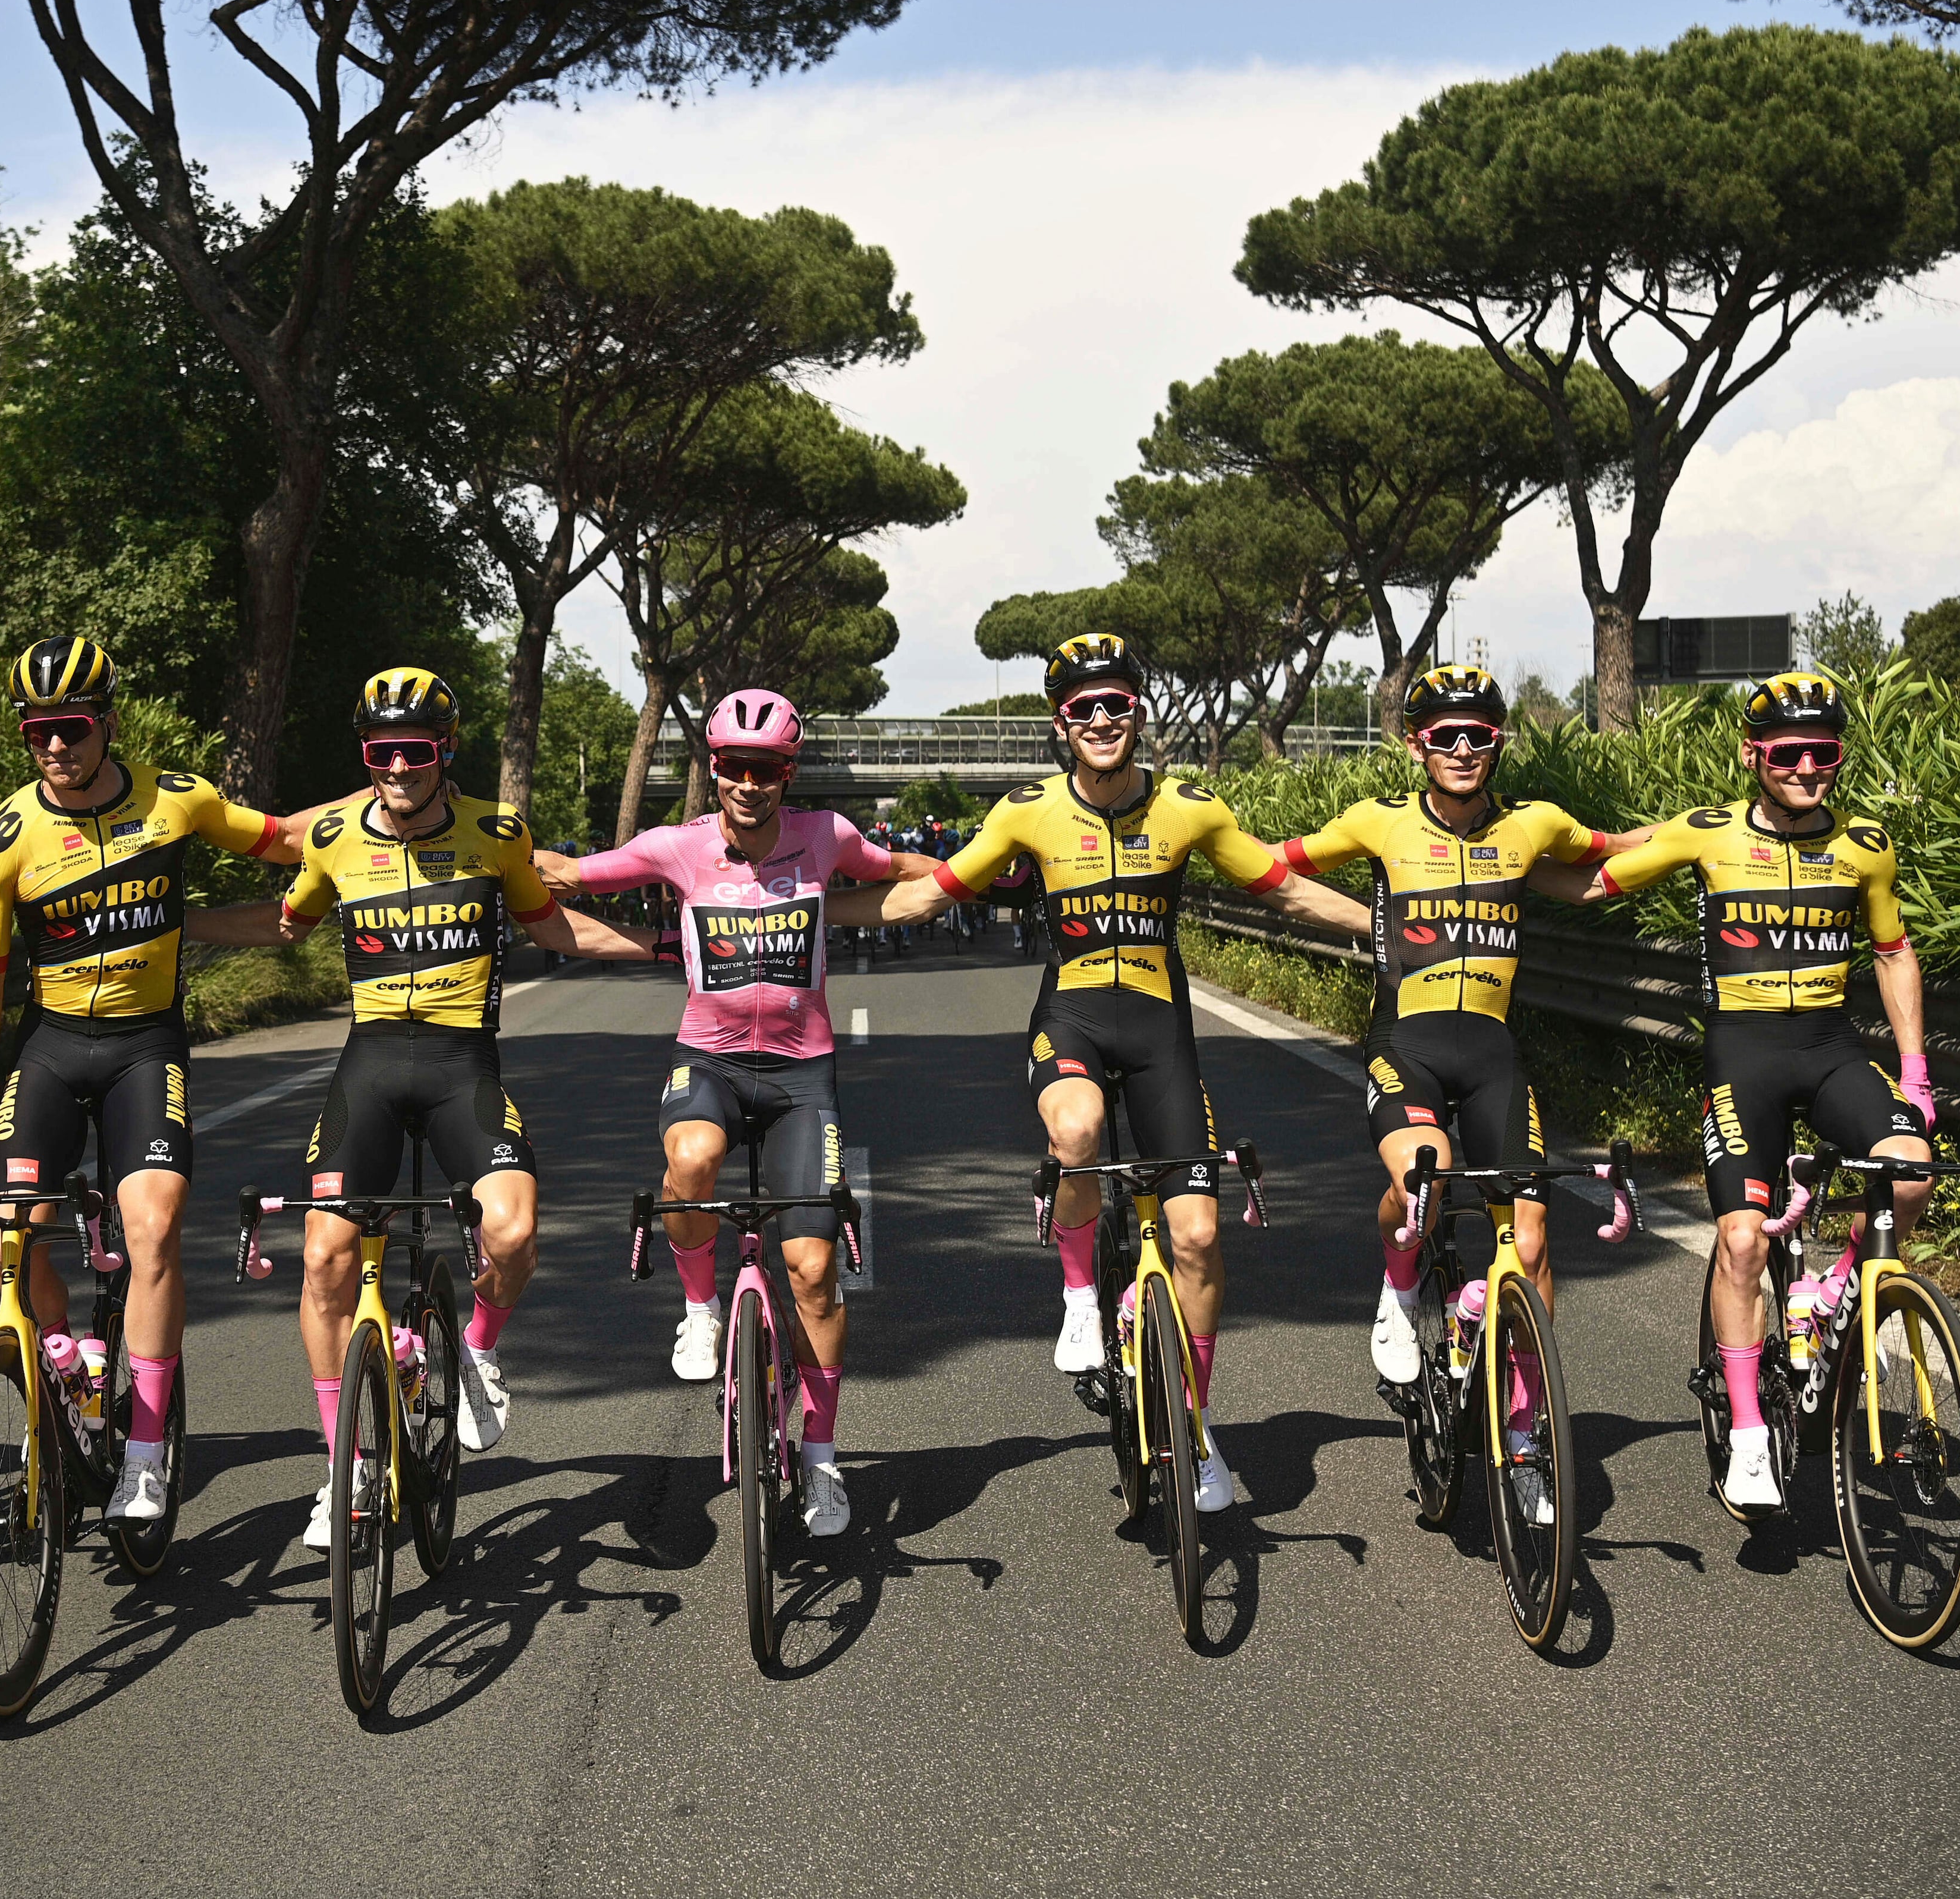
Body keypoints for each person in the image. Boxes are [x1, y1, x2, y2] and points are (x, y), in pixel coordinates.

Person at [867, 634, 1371, 1513]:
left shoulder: (1191, 808)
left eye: (1116, 704)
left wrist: (1380, 927)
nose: (1100, 720)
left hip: (1162, 1037)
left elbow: (1281, 887)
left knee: (1201, 1238)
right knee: (1077, 1132)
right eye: (1081, 708)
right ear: (1060, 725)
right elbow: (937, 889)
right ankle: (1076, 1298)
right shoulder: (1027, 811)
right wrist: (808, 911)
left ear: (1138, 712)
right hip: (1069, 1024)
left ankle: (1199, 1425)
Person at [235, 668, 629, 1551]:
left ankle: (479, 1348)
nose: (400, 767)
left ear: (445, 751)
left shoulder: (497, 834)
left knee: (516, 1233)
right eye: (383, 752)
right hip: (368, 1066)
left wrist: (659, 951)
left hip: (463, 1067)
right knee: (328, 1257)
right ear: (366, 756)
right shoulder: (333, 836)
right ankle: (345, 1467)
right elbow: (293, 919)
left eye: (417, 751)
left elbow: (552, 927)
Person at [536, 691, 941, 1540]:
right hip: (709, 1059)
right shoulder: (676, 847)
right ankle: (698, 1311)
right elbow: (572, 874)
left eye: (767, 770)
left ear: (788, 775)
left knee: (813, 1272)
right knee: (689, 1161)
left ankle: (824, 1463)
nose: (749, 783)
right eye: (734, 766)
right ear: (713, 768)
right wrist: (480, 846)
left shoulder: (824, 835)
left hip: (803, 1076)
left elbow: (889, 868)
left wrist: (974, 870)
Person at [0, 636, 305, 1526]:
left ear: (106, 723)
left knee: (153, 1225)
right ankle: (63, 1369)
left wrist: (397, 799)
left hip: (147, 1046)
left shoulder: (178, 801)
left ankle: (146, 1448)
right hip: (52, 1047)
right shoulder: (7, 836)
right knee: (10, 1238)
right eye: (37, 734)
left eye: (70, 728)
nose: (55, 748)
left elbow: (292, 838)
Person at [1272, 665, 1641, 1526]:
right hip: (1406, 1043)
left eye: (1479, 732)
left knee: (1536, 1230)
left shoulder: (1532, 825)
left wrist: (1726, 829)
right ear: (1417, 744)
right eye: (1446, 734)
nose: (1464, 747)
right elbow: (1274, 865)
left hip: (1495, 1054)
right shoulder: (1380, 821)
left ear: (1499, 739)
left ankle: (1524, 1429)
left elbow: (1615, 851)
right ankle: (1401, 1291)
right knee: (1421, 1182)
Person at [1592, 669, 1931, 1511]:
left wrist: (1918, 1075)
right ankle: (1748, 1432)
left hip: (1829, 1048)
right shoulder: (1705, 834)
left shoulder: (1868, 844)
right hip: (1740, 1054)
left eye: (1824, 753)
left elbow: (1892, 952)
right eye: (1788, 753)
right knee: (1742, 1242)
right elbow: (1604, 863)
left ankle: (1832, 1290)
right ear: (1754, 756)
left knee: (1913, 1171)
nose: (1807, 768)